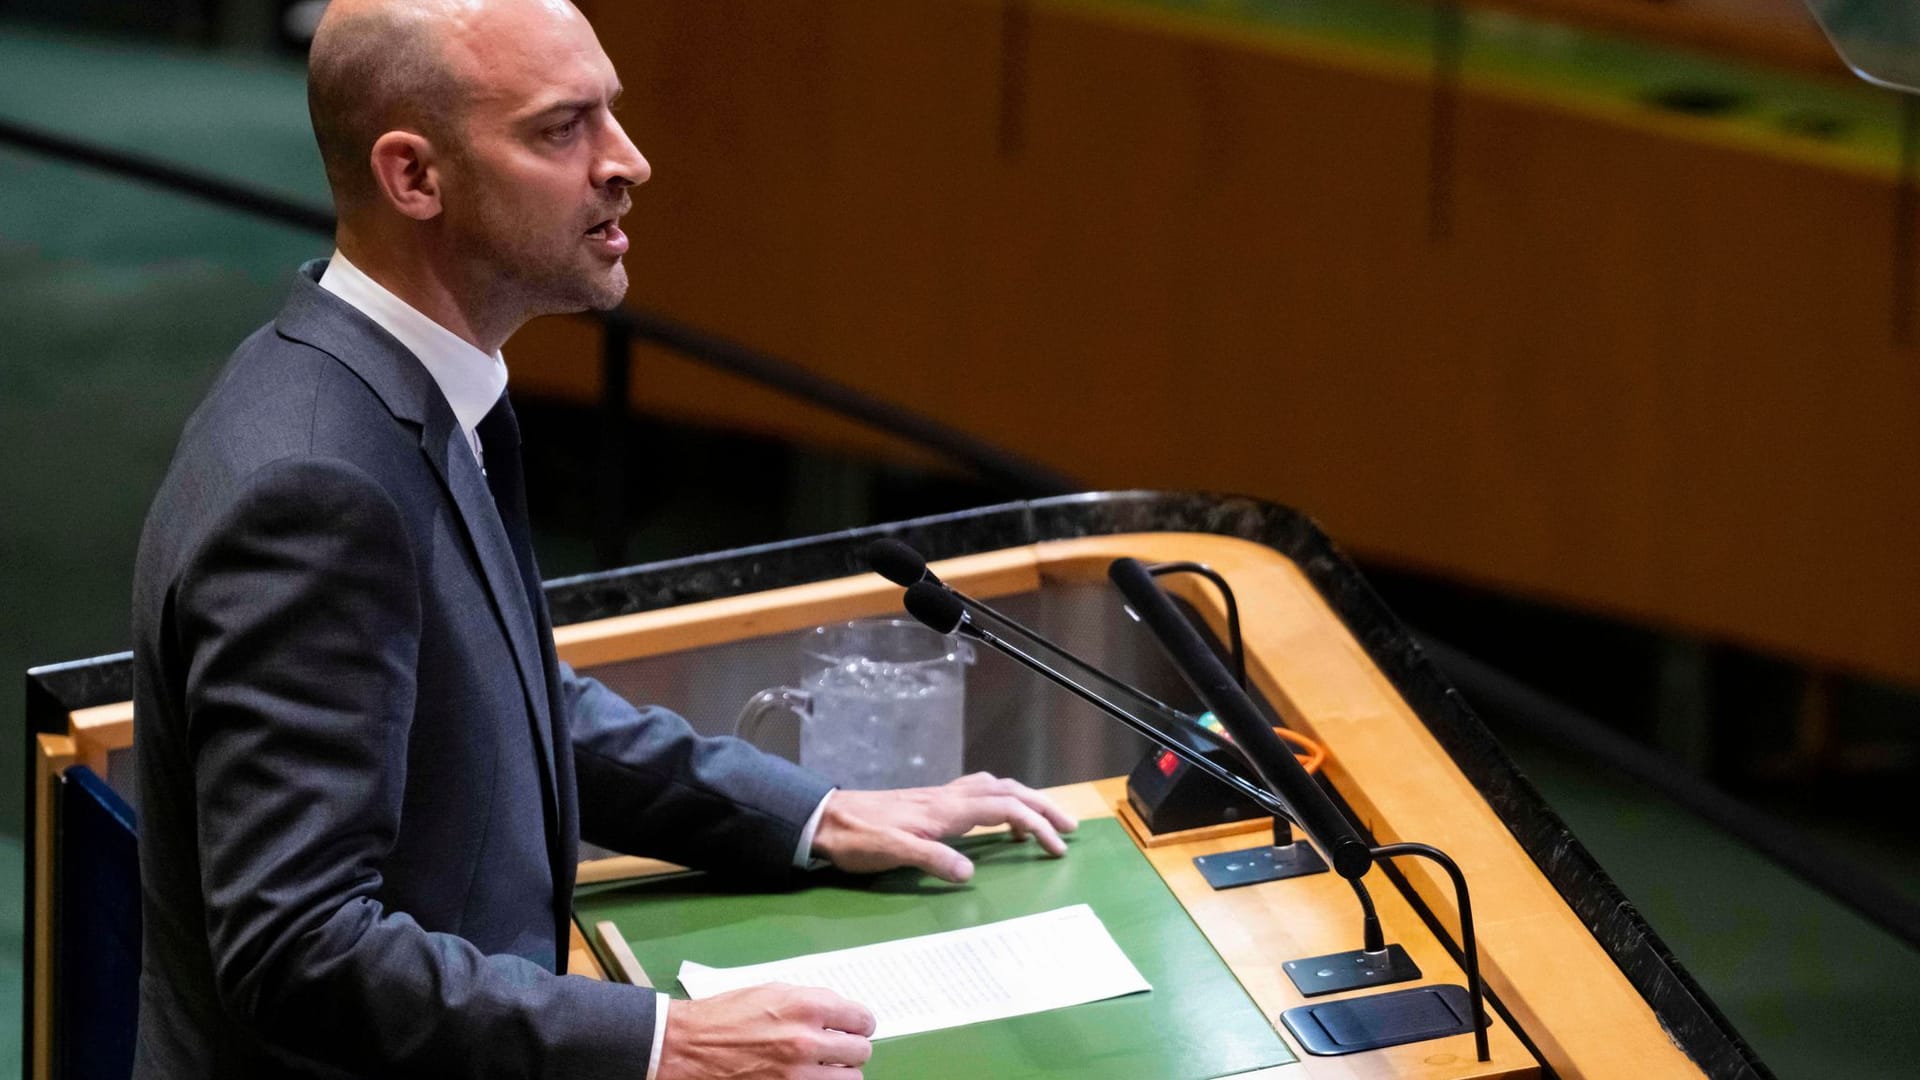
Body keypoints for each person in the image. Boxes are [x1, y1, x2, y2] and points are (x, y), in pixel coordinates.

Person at [128, 0, 1077, 1076]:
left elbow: (504, 701)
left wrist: (814, 813)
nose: (628, 162)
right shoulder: (314, 482)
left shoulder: (402, 389)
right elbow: (297, 949)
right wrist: (664, 1042)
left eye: (610, 114)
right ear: (414, 178)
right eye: (560, 129)